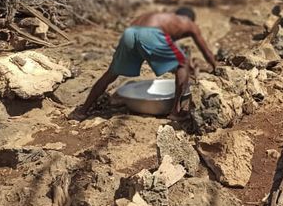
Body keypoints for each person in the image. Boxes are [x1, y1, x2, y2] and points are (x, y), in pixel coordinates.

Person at [79, 7, 217, 121]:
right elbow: (206, 52)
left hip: (129, 33)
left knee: (111, 73)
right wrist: (216, 68)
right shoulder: (188, 22)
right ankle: (176, 111)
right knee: (184, 62)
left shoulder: (160, 16)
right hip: (151, 34)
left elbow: (154, 44)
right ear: (189, 18)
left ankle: (83, 111)